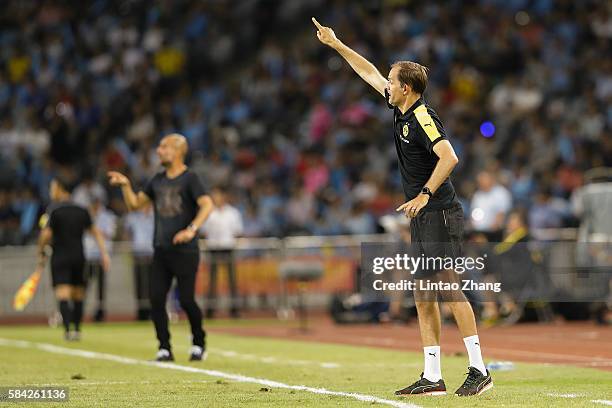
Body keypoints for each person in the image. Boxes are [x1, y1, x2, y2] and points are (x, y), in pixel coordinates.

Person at [313, 18, 492, 396]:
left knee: (445, 286)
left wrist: (425, 193)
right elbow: (368, 72)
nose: (386, 85)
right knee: (422, 291)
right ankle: (432, 376)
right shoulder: (402, 110)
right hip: (424, 215)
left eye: (392, 82)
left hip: (439, 211)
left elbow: (450, 156)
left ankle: (479, 370)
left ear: (405, 88)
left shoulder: (423, 116)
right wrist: (337, 44)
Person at [108, 134, 214, 362]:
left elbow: (207, 204)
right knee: (156, 299)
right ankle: (164, 347)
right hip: (161, 250)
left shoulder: (190, 178)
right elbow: (136, 204)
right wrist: (126, 186)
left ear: (178, 151)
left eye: (164, 147)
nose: (158, 151)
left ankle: (199, 342)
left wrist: (191, 229)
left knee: (186, 300)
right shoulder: (156, 180)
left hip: (185, 250)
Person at [37, 177, 110, 341]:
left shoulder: (54, 211)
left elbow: (45, 235)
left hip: (60, 256)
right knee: (78, 293)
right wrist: (104, 253)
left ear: (60, 189)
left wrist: (40, 251)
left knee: (63, 293)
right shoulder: (82, 210)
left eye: (53, 187)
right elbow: (96, 232)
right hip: (79, 256)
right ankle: (77, 329)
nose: (51, 191)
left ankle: (68, 330)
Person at [201, 185, 243, 319]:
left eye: (218, 195)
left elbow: (238, 231)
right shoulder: (209, 212)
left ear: (224, 197)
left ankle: (234, 309)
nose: (216, 198)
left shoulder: (233, 213)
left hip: (228, 247)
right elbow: (204, 231)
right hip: (213, 248)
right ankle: (210, 310)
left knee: (232, 280)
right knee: (212, 280)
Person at [83, 197, 116, 322]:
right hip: (88, 255)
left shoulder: (107, 216)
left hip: (101, 256)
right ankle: (80, 310)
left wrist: (94, 232)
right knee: (85, 285)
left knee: (101, 288)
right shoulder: (86, 215)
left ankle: (100, 312)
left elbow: (109, 233)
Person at [123, 203, 155, 321]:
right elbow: (126, 234)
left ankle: (153, 311)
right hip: (138, 254)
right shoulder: (132, 217)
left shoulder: (155, 216)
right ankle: (141, 312)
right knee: (140, 284)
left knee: (153, 285)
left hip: (152, 254)